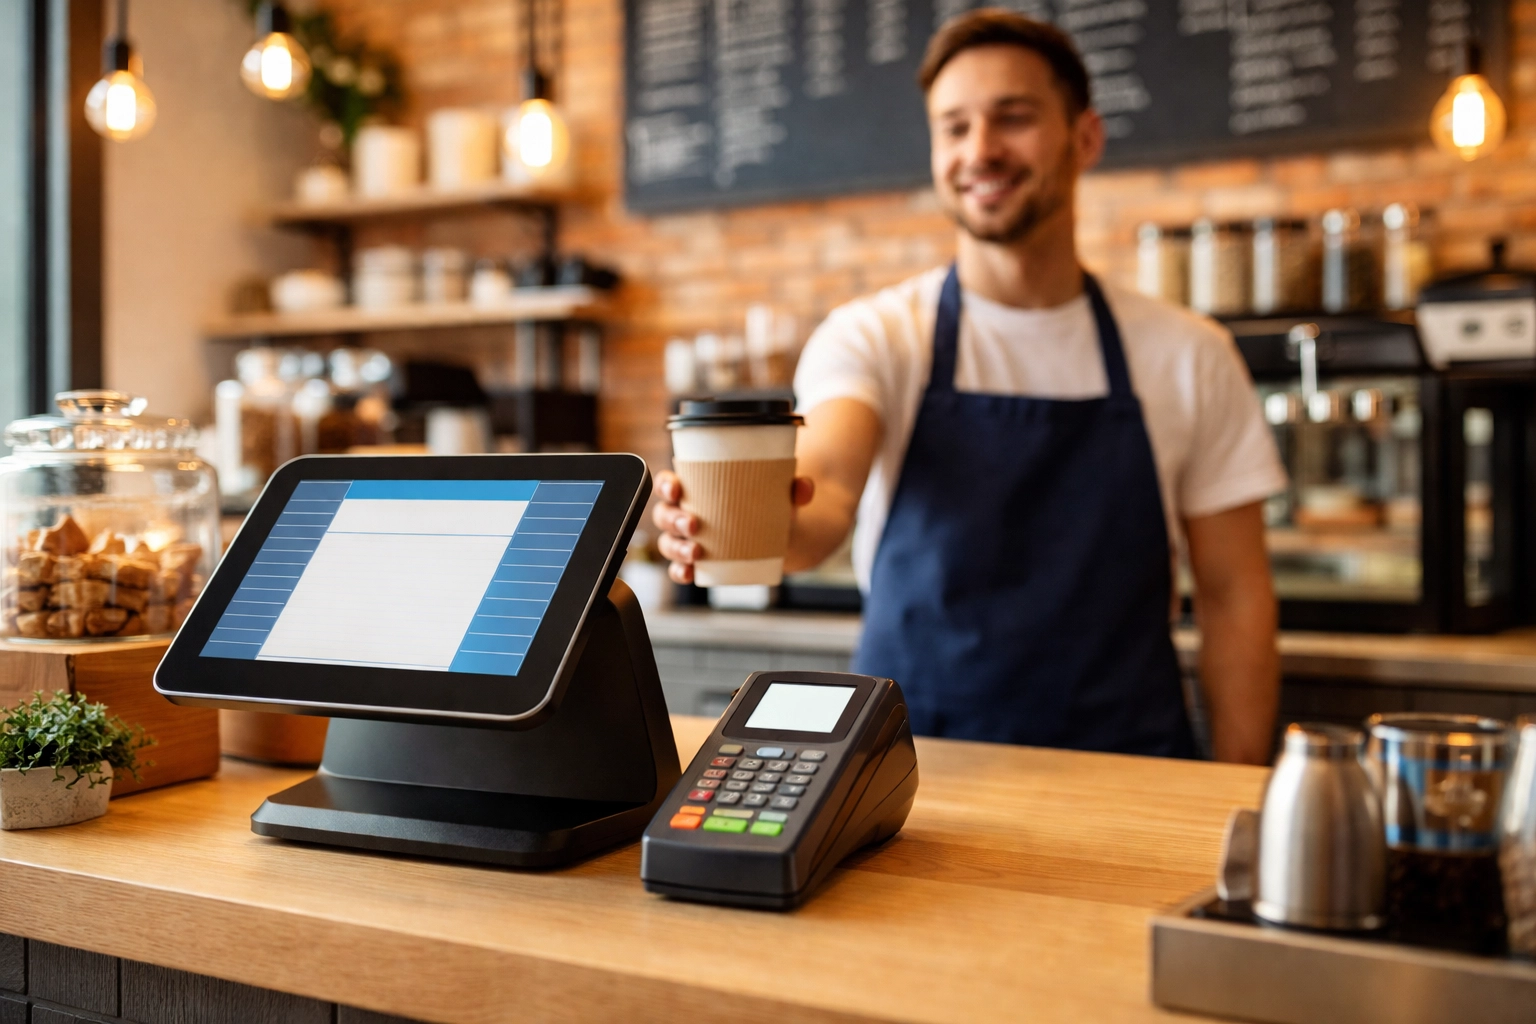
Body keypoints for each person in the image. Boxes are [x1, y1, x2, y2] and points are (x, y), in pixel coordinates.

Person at [654, 11, 1286, 764]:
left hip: (1130, 777)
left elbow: (1235, 595)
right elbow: (823, 493)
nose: (979, 150)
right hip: (913, 784)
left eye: (1012, 119)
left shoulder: (1189, 353)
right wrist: (743, 518)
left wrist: (1238, 796)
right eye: (954, 127)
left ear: (1085, 138)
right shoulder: (879, 336)